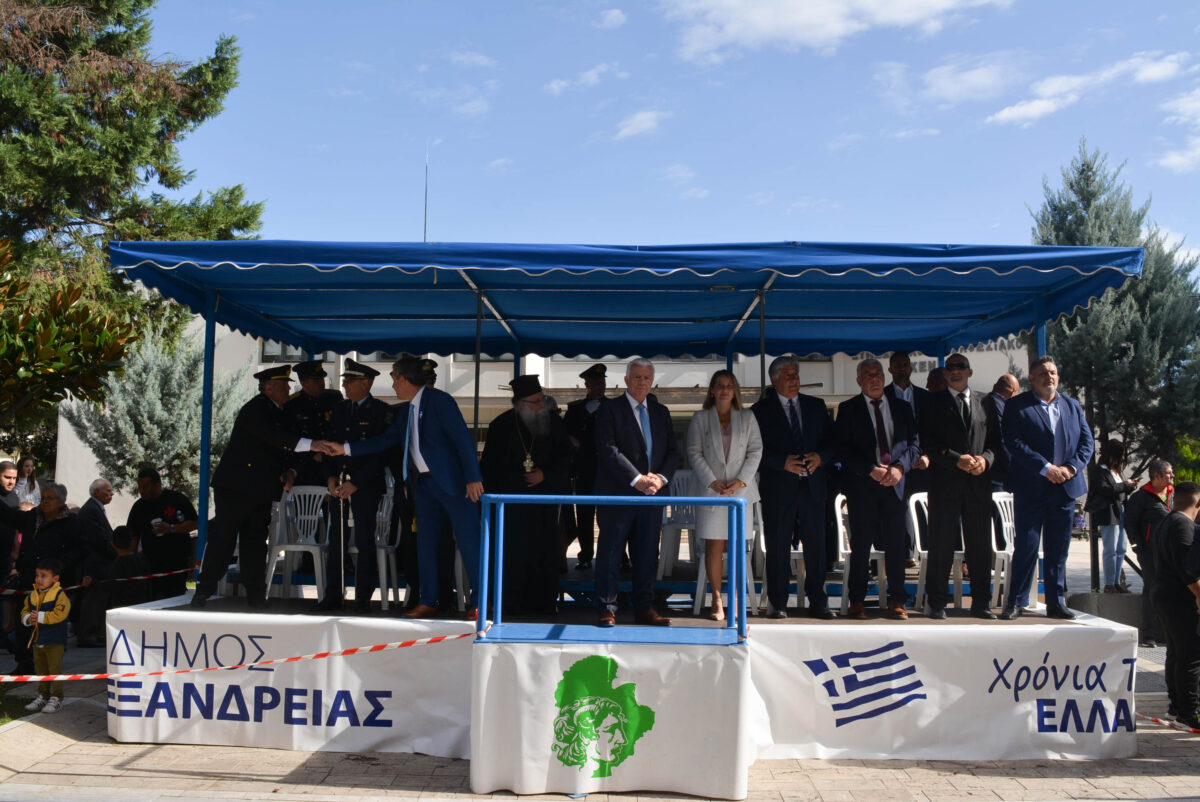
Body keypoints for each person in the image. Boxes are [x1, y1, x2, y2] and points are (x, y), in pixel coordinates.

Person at [316, 354, 484, 620]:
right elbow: (385, 441)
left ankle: (481, 602)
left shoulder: (439, 401)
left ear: (404, 379)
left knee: (469, 541)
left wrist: (473, 477)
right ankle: (429, 599)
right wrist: (344, 448)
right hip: (424, 486)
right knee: (425, 544)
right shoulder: (406, 411)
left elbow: (462, 438)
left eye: (394, 378)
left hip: (455, 484)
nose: (392, 384)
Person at [192, 365, 314, 609]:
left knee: (256, 541)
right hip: (236, 488)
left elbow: (286, 449)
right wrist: (313, 445)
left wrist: (291, 470)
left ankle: (256, 594)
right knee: (224, 538)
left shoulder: (283, 412)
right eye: (283, 385)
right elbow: (275, 438)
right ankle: (204, 590)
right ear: (268, 388)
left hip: (261, 489)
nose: (288, 389)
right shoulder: (255, 410)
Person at [999, 356, 1095, 620]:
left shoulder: (1072, 406)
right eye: (1043, 373)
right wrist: (1045, 468)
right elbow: (1013, 442)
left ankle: (1056, 602)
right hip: (1031, 488)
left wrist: (1070, 469)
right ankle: (1016, 602)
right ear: (1032, 377)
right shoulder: (1017, 405)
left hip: (1064, 489)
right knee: (1027, 546)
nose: (1049, 377)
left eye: (1053, 372)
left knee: (1058, 550)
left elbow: (1087, 443)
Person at [593, 358, 679, 627]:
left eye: (647, 378)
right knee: (611, 553)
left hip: (652, 496)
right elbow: (608, 449)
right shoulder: (609, 410)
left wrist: (660, 479)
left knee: (647, 554)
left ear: (652, 382)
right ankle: (607, 608)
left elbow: (673, 452)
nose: (642, 382)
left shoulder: (661, 412)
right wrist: (636, 479)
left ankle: (644, 608)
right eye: (637, 377)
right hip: (618, 494)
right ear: (626, 380)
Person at [750, 356, 836, 619]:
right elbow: (753, 450)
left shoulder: (816, 406)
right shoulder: (759, 411)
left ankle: (818, 602)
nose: (793, 379)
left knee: (816, 547)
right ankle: (778, 603)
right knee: (778, 546)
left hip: (812, 487)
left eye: (795, 374)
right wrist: (781, 462)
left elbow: (834, 442)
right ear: (774, 380)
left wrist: (820, 457)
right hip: (778, 488)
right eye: (787, 375)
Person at [835, 358, 920, 620]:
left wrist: (900, 468)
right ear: (859, 381)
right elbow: (842, 448)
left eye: (878, 374)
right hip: (863, 487)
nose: (874, 378)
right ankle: (857, 600)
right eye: (868, 375)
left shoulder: (902, 407)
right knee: (861, 546)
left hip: (895, 486)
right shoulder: (848, 409)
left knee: (896, 546)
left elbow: (914, 445)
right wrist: (870, 469)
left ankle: (898, 600)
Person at [480, 375, 572, 614]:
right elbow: (489, 467)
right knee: (512, 554)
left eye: (542, 399)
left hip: (543, 502)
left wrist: (546, 474)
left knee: (544, 553)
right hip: (511, 505)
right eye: (536, 401)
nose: (542, 405)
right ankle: (510, 605)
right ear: (521, 404)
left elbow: (567, 458)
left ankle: (544, 604)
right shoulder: (500, 425)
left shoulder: (554, 423)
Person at [919, 354, 1003, 619]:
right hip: (945, 483)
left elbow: (997, 442)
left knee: (979, 545)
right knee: (941, 544)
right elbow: (927, 442)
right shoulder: (932, 403)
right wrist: (956, 460)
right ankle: (936, 602)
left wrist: (985, 460)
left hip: (978, 484)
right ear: (945, 373)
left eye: (961, 367)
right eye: (951, 368)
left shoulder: (986, 402)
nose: (956, 371)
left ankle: (981, 602)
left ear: (970, 372)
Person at [317, 359, 394, 613]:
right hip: (339, 485)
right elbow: (329, 446)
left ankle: (363, 598)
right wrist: (330, 477)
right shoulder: (339, 410)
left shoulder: (381, 411)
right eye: (345, 381)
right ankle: (333, 595)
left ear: (366, 383)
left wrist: (357, 483)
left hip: (366, 486)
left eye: (350, 381)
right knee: (335, 540)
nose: (345, 385)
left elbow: (382, 453)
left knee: (364, 541)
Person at [688, 370, 763, 621]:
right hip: (711, 492)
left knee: (737, 546)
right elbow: (694, 452)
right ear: (712, 389)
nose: (724, 390)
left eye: (729, 385)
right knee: (714, 545)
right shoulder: (700, 418)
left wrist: (740, 481)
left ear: (735, 390)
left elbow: (756, 451)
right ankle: (717, 600)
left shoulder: (748, 417)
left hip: (740, 492)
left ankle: (737, 599)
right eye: (719, 385)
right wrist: (712, 482)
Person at [1152, 481, 1200, 728]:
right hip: (1179, 597)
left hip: (1164, 593)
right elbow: (1187, 569)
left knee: (1176, 652)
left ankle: (1176, 707)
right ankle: (1188, 713)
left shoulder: (1167, 521)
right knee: (1190, 656)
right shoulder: (1183, 525)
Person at [885, 351, 932, 567]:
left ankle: (926, 554)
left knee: (921, 508)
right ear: (890, 369)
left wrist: (927, 456)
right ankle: (905, 554)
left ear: (911, 368)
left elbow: (932, 432)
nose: (902, 368)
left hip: (921, 464)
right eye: (897, 365)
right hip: (895, 464)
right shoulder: (883, 396)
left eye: (905, 364)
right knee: (898, 508)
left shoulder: (925, 397)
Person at [126, 468, 198, 599]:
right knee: (151, 598)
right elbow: (133, 535)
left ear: (157, 485)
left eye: (145, 486)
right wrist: (132, 560)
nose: (141, 490)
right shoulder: (139, 507)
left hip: (176, 561)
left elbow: (195, 523)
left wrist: (171, 528)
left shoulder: (177, 499)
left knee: (174, 598)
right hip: (150, 563)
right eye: (139, 487)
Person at [563, 363, 608, 571]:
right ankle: (586, 555)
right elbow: (564, 434)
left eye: (603, 382)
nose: (601, 386)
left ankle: (617, 555)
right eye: (596, 382)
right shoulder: (576, 409)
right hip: (585, 469)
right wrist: (572, 440)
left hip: (608, 470)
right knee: (584, 515)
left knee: (610, 515)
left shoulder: (614, 406)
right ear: (587, 384)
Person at [1124, 459, 1173, 648]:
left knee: (1172, 590)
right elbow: (1130, 524)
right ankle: (1149, 635)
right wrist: (1138, 548)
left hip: (1172, 553)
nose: (1172, 475)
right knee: (1152, 589)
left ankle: (1169, 633)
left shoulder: (1174, 493)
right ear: (1157, 476)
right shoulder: (1140, 498)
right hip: (1150, 554)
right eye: (1168, 473)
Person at [1085, 439, 1138, 593]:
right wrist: (1126, 485)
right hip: (1109, 512)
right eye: (1121, 455)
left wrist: (1129, 487)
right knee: (1111, 548)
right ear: (1111, 455)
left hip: (1121, 510)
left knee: (1121, 548)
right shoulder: (1099, 471)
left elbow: (1118, 491)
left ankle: (1116, 582)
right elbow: (1106, 490)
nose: (1123, 458)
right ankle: (1109, 583)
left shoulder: (1116, 472)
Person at [20, 557, 71, 714]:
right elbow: (25, 610)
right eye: (37, 575)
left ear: (55, 578)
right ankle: (42, 695)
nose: (39, 579)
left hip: (55, 641)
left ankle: (57, 698)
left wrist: (41, 617)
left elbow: (60, 614)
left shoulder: (60, 595)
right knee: (41, 670)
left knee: (55, 670)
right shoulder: (32, 595)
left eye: (44, 576)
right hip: (38, 640)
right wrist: (27, 619)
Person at [284, 359, 342, 487]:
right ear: (303, 382)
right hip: (306, 467)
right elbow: (291, 438)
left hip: (334, 463)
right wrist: (311, 455)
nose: (321, 383)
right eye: (316, 380)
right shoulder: (292, 404)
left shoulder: (334, 398)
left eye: (322, 379)